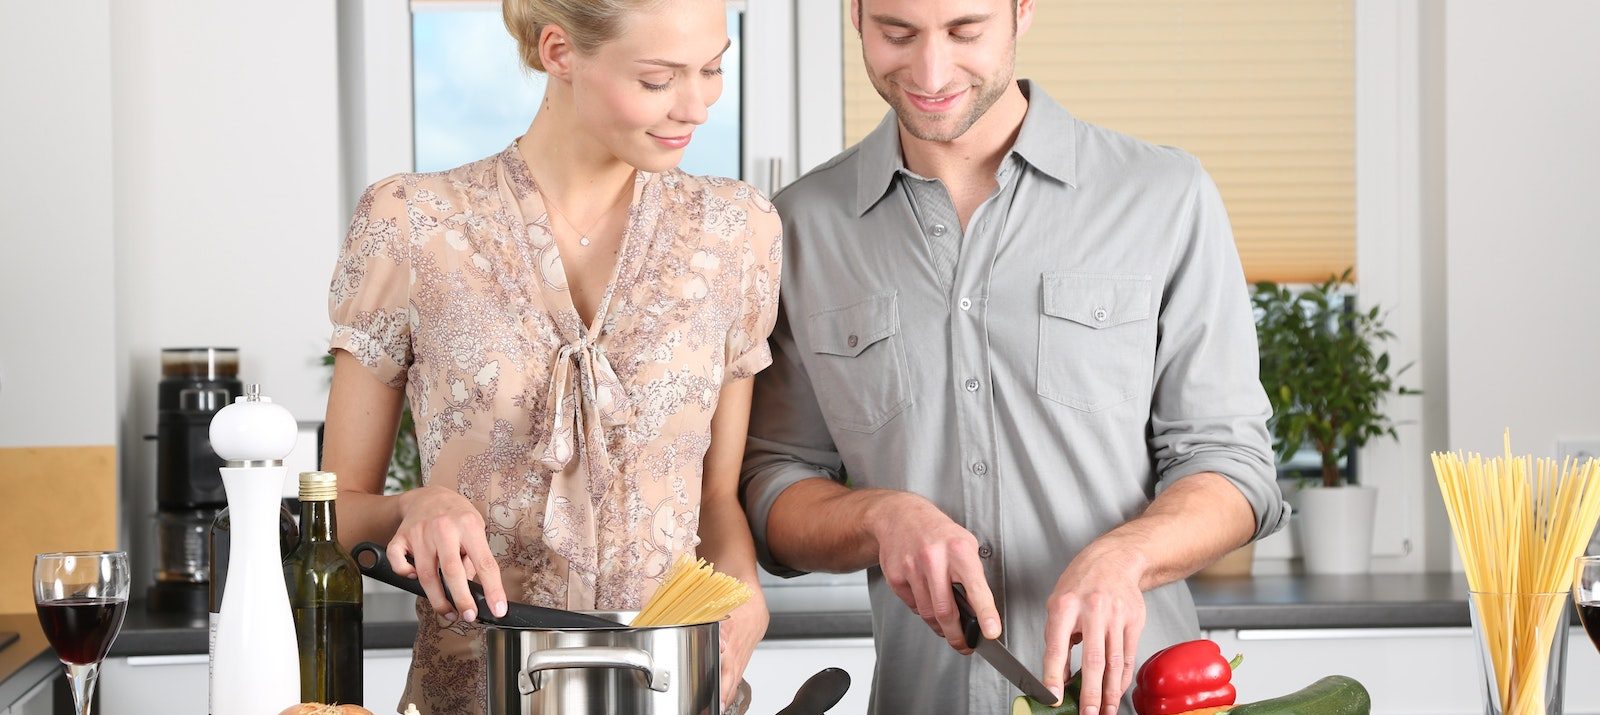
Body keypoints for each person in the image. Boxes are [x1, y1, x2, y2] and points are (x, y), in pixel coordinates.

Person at [739, 1, 1288, 713]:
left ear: (1022, 9)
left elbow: (1233, 465)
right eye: (896, 33)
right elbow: (771, 485)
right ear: (855, 14)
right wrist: (882, 516)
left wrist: (1131, 553)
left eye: (965, 31)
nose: (931, 71)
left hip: (1139, 698)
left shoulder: (1162, 197)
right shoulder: (805, 227)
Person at [321, 0, 780, 711]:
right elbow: (328, 516)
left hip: (675, 694)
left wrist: (744, 592)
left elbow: (717, 498)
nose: (698, 105)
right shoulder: (412, 224)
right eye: (659, 79)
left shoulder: (736, 232)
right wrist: (417, 504)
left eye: (714, 68)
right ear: (560, 52)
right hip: (474, 695)